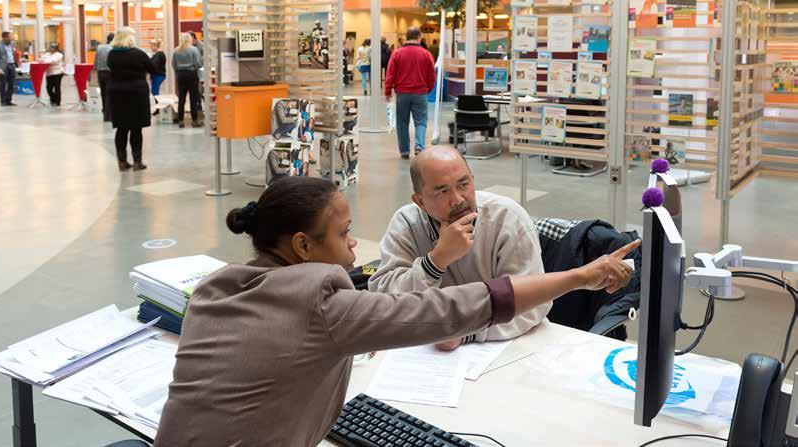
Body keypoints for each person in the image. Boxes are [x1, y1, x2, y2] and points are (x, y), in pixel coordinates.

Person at [153, 176, 638, 446]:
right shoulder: (324, 302)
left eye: (463, 184)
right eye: (343, 233)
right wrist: (580, 277)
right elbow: (454, 305)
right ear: (303, 246)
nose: (351, 245)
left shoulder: (214, 290)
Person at [369, 146, 554, 350]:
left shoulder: (508, 219)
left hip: (509, 346)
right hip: (429, 354)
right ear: (420, 201)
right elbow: (383, 300)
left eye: (463, 184)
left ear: (473, 180)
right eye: (442, 191)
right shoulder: (407, 223)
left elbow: (533, 304)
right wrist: (435, 262)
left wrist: (466, 333)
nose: (457, 199)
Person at [107, 27, 154, 171]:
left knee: (121, 128)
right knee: (136, 128)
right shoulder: (139, 54)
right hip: (136, 92)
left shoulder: (111, 54)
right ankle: (137, 162)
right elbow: (152, 68)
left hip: (116, 92)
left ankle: (122, 162)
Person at [385, 27, 435, 159]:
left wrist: (387, 91)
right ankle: (419, 147)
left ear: (407, 37)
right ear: (419, 36)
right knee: (421, 122)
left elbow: (390, 75)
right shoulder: (426, 54)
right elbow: (432, 76)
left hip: (402, 93)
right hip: (420, 93)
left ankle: (404, 151)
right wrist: (427, 89)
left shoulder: (397, 53)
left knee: (402, 122)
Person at [172, 33, 203, 128]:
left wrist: (178, 72)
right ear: (190, 40)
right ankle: (194, 121)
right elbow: (198, 63)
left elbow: (173, 64)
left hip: (181, 75)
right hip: (191, 74)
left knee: (181, 97)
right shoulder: (194, 49)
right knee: (193, 98)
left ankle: (181, 121)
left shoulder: (176, 50)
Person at [0, 31, 17, 106]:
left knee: (11, 84)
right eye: (9, 37)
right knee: (3, 84)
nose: (11, 38)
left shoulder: (12, 44)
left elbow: (12, 54)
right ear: (4, 37)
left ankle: (8, 100)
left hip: (12, 65)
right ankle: (3, 101)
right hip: (3, 67)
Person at [94, 33, 114, 121]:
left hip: (100, 72)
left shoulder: (100, 47)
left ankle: (104, 109)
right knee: (109, 93)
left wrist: (96, 69)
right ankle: (108, 115)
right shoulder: (113, 48)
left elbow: (96, 59)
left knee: (103, 92)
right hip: (110, 73)